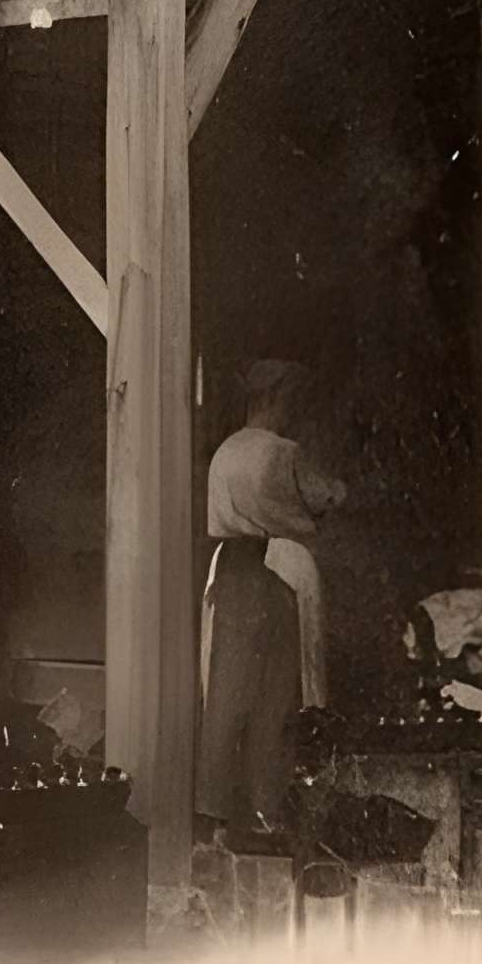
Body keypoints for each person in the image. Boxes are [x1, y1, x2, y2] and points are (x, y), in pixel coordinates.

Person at [198, 360, 345, 847]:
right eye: (291, 399)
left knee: (225, 693)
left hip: (229, 572)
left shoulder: (225, 453)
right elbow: (327, 495)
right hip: (273, 570)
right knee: (277, 697)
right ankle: (266, 808)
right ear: (277, 399)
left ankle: (214, 815)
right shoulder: (284, 452)